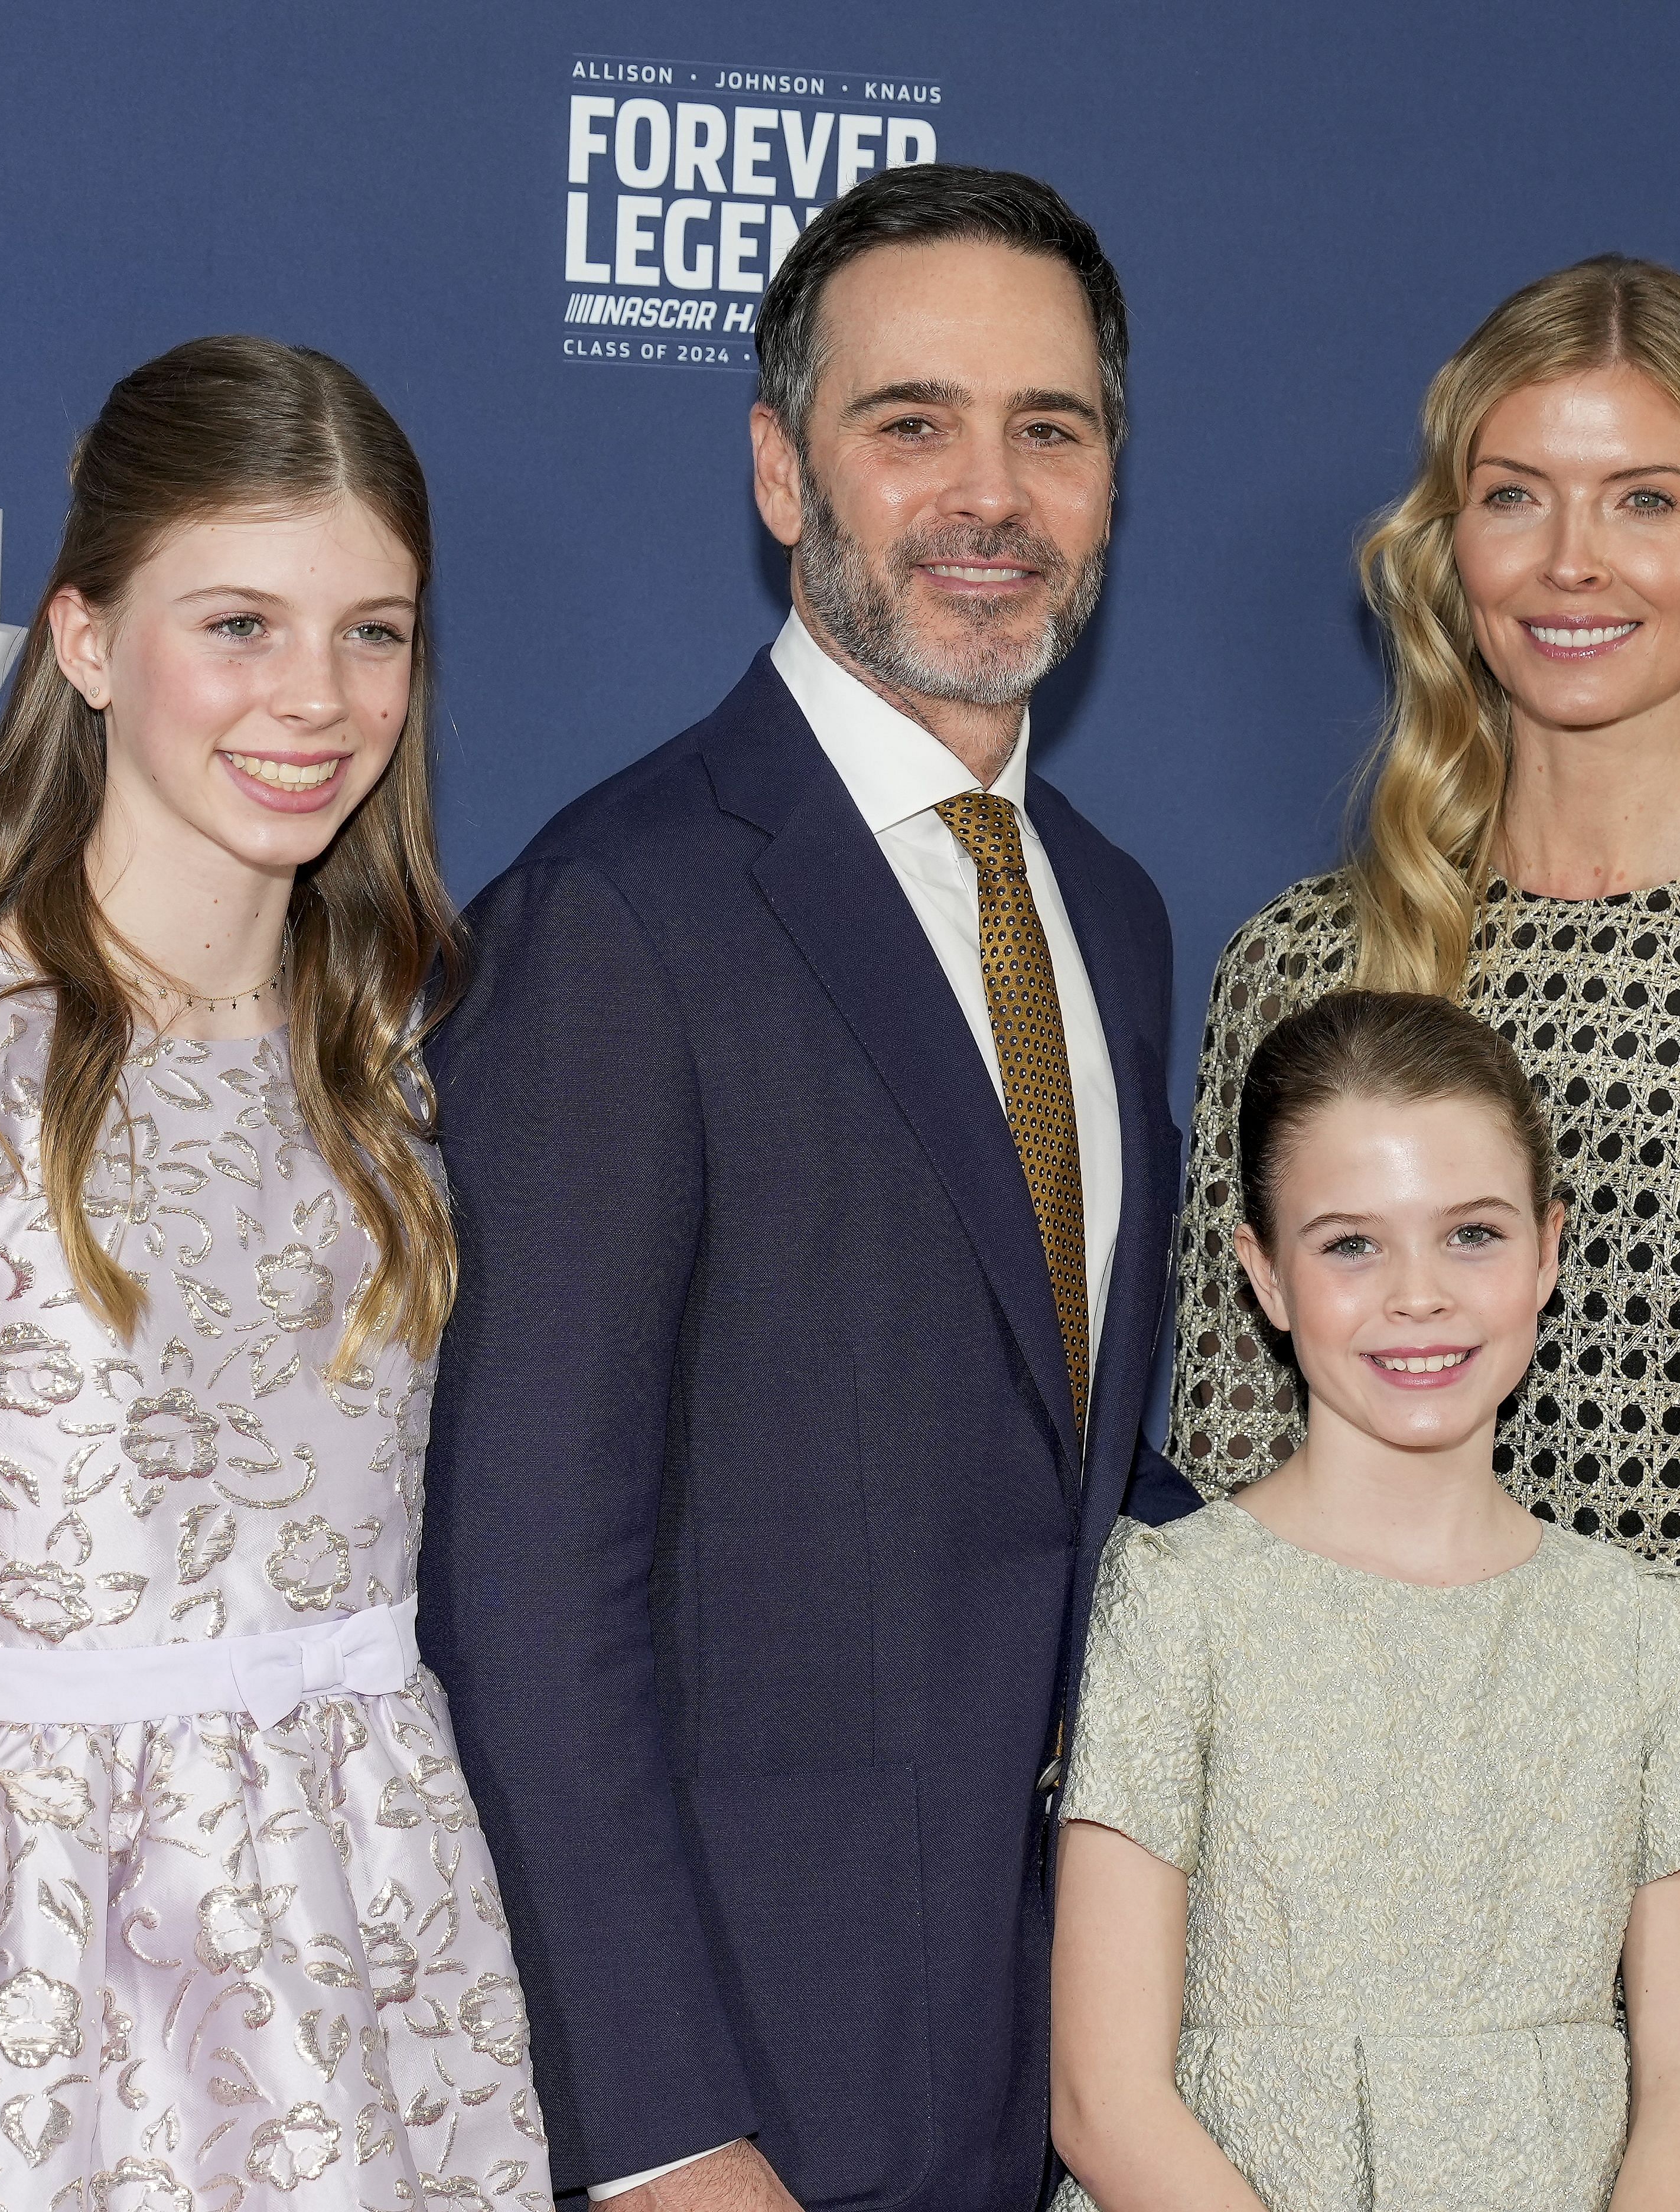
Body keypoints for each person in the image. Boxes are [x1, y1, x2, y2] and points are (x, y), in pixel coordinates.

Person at [1165, 258, 1680, 2212]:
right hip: (1346, 1853)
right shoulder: (1301, 964)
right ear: (1442, 536)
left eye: (1643, 495)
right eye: (1513, 492)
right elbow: (1212, 1496)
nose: (1575, 559)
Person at [0, 336, 546, 2211]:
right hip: (30, 2007)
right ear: (84, 641)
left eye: (374, 632)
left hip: (377, 1980)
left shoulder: (392, 1068)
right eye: (237, 623)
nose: (316, 698)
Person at [417, 165, 1191, 2212]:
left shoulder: (1105, 913)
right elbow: (517, 1579)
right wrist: (657, 2121)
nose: (987, 494)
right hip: (752, 2075)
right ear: (779, 471)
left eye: (1052, 429)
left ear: (1111, 481)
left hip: (1058, 2052)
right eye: (908, 421)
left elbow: (1069, 1475)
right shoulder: (613, 917)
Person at [1051, 990, 1680, 2212]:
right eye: (1351, 1244)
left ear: (1549, 1249)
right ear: (1265, 1276)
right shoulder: (1176, 1601)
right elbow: (1103, 2099)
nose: (1419, 1296)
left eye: (1471, 1235)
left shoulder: (1657, 1631)